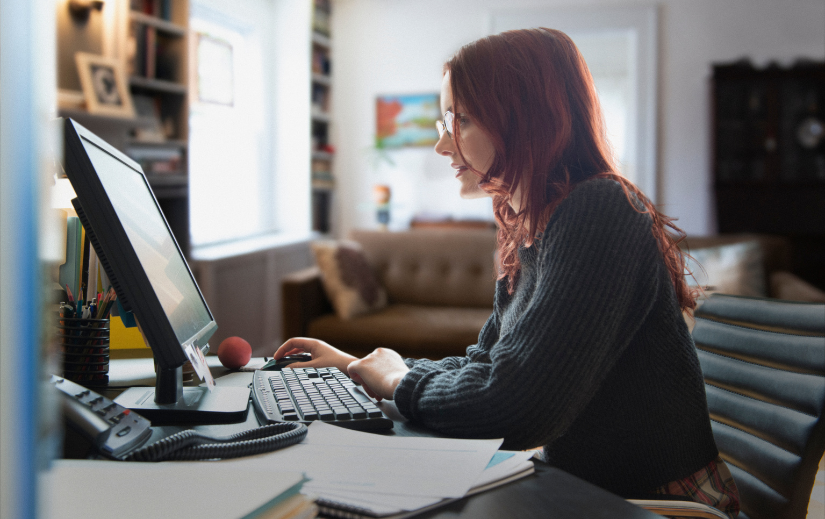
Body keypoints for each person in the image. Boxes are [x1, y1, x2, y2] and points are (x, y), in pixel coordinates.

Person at [274, 27, 739, 517]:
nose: (442, 145)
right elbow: (487, 366)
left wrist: (396, 382)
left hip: (658, 505)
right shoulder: (532, 229)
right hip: (584, 489)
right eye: (445, 122)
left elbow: (514, 407)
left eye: (462, 120)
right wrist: (360, 367)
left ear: (526, 119)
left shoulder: (600, 210)